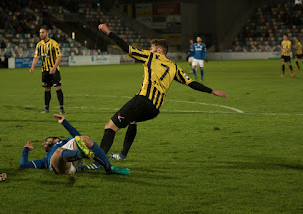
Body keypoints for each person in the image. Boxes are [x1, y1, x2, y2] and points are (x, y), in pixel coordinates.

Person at [85, 24, 226, 168]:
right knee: (132, 121)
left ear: (159, 50)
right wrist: (213, 91)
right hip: (154, 110)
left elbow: (126, 47)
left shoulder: (151, 57)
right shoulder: (174, 67)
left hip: (142, 100)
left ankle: (99, 163)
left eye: (151, 48)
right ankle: (122, 155)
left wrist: (108, 32)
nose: (149, 50)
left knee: (110, 126)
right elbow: (191, 83)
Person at [19, 114, 130, 175]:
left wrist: (64, 122)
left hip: (73, 160)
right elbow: (23, 165)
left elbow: (78, 137)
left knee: (83, 139)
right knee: (59, 152)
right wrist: (26, 149)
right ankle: (82, 154)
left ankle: (109, 167)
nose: (44, 144)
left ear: (56, 139)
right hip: (61, 167)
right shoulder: (44, 160)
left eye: (46, 140)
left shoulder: (65, 142)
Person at [29, 27, 65, 114]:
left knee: (57, 88)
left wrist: (54, 67)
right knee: (46, 89)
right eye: (40, 33)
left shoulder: (53, 43)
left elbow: (59, 56)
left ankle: (61, 108)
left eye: (42, 32)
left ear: (47, 33)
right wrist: (32, 67)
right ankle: (46, 109)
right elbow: (36, 57)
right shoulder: (39, 45)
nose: (41, 34)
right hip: (45, 71)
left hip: (54, 70)